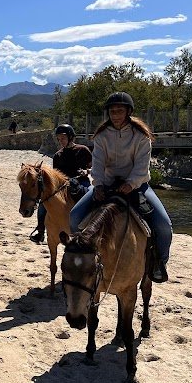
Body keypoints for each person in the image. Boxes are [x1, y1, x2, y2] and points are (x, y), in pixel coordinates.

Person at [69, 92, 172, 282]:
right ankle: (82, 257)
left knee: (164, 225)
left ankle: (159, 263)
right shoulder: (101, 136)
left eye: (120, 110)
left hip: (136, 186)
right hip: (106, 185)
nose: (115, 114)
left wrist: (130, 184)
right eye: (112, 111)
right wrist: (98, 185)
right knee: (75, 217)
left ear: (128, 112)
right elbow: (97, 163)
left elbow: (142, 166)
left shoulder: (141, 136)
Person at [29, 123, 92, 243]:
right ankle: (40, 230)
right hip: (63, 186)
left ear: (71, 137)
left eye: (62, 138)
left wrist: (86, 171)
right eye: (59, 139)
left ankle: (90, 227)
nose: (60, 141)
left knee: (90, 196)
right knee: (44, 202)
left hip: (81, 182)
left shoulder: (82, 150)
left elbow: (94, 167)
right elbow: (56, 175)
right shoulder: (58, 155)